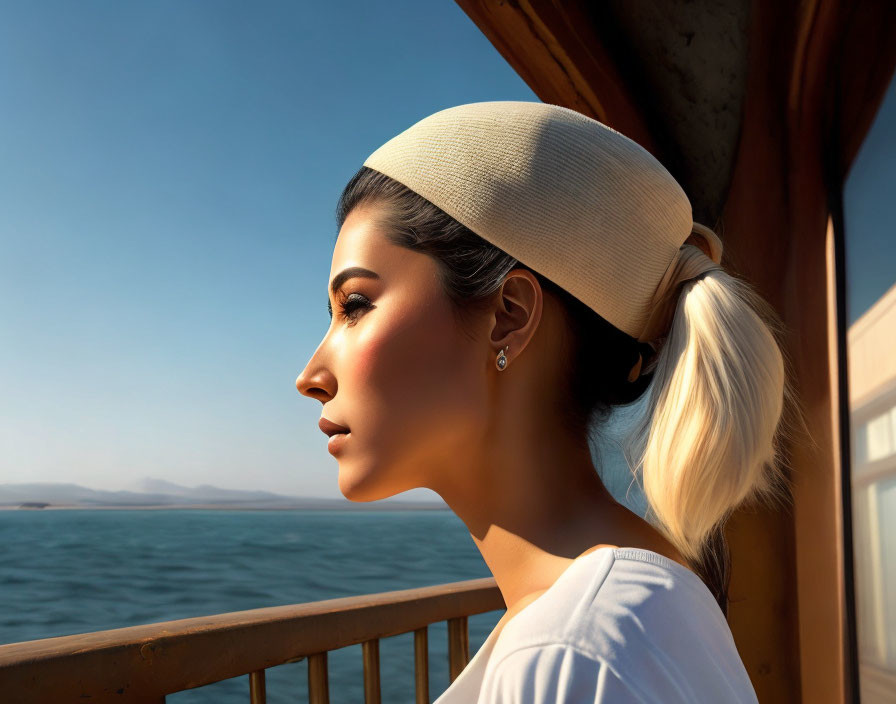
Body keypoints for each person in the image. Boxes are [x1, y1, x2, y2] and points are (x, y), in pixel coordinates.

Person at [295, 101, 796, 703]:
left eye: (354, 305)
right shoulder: (637, 606)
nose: (311, 375)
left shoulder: (568, 656)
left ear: (509, 316)